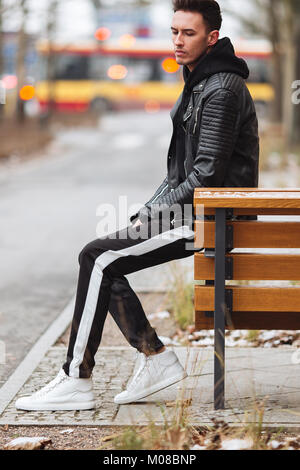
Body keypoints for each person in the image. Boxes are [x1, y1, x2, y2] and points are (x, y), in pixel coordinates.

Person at [15, 0, 259, 411]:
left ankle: (79, 379)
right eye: (174, 32)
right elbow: (180, 175)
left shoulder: (221, 88)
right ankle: (153, 358)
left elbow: (205, 175)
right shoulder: (201, 80)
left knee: (98, 257)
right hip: (202, 210)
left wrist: (155, 214)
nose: (178, 41)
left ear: (212, 38)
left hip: (212, 216)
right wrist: (148, 210)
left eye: (189, 33)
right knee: (101, 257)